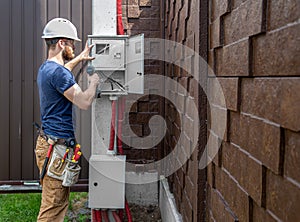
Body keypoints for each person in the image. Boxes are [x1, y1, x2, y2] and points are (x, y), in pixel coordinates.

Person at [35, 18, 99, 221]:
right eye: (72, 43)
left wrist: (79, 58)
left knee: (58, 202)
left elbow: (63, 72)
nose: (74, 46)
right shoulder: (59, 73)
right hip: (57, 150)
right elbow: (84, 102)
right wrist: (93, 82)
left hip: (49, 144)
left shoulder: (47, 68)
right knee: (52, 208)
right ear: (62, 43)